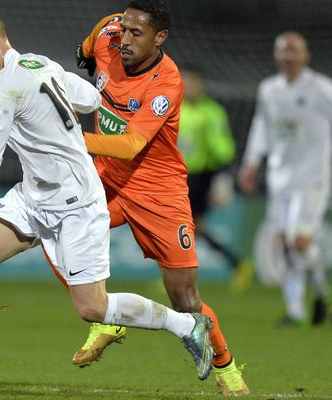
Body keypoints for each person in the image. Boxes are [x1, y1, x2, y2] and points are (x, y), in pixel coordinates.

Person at [0, 0, 215, 383]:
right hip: (34, 195)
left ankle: (184, 325)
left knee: (93, 309)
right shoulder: (38, 63)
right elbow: (88, 96)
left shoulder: (1, 92)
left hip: (77, 204)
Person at [69, 0, 249, 395]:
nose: (125, 40)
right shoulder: (108, 35)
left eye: (137, 34)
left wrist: (72, 139)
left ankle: (226, 367)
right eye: (124, 29)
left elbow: (132, 143)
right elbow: (86, 48)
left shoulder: (167, 81)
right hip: (106, 177)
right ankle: (106, 317)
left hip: (158, 188)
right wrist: (94, 45)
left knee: (184, 297)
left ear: (160, 37)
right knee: (51, 226)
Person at [238, 31, 332, 327]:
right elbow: (262, 127)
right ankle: (297, 308)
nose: (288, 55)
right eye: (283, 50)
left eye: (293, 50)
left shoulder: (321, 89)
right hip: (279, 178)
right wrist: (251, 163)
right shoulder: (269, 89)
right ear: (276, 55)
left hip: (312, 178)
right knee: (287, 244)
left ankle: (321, 291)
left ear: (306, 55)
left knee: (298, 241)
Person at [178, 64, 254, 294]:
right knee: (193, 227)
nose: (187, 87)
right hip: (179, 175)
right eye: (185, 82)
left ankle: (180, 277)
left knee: (182, 226)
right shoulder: (175, 109)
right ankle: (238, 265)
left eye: (191, 82)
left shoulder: (212, 112)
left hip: (200, 176)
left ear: (200, 85)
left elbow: (224, 148)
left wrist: (222, 174)